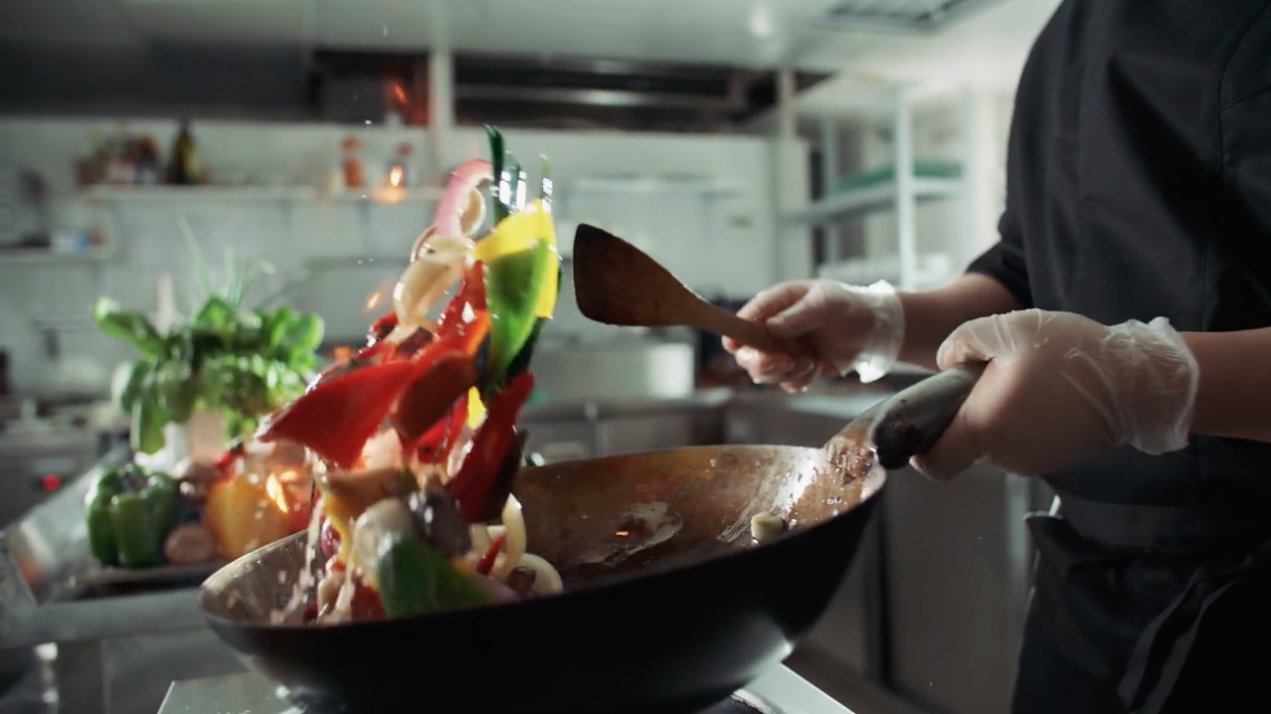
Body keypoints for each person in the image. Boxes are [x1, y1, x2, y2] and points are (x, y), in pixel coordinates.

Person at [726, 1, 1271, 712]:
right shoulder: (1068, 35)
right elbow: (1024, 271)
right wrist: (880, 320)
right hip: (1083, 591)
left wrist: (1137, 383)